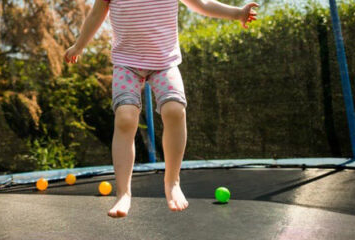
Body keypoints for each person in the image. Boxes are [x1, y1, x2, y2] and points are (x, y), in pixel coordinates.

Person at [64, 0, 259, 218]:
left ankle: (172, 182)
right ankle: (123, 193)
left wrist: (238, 13)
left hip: (165, 63)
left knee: (175, 110)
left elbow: (201, 5)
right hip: (126, 64)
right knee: (125, 117)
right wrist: (79, 44)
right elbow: (96, 14)